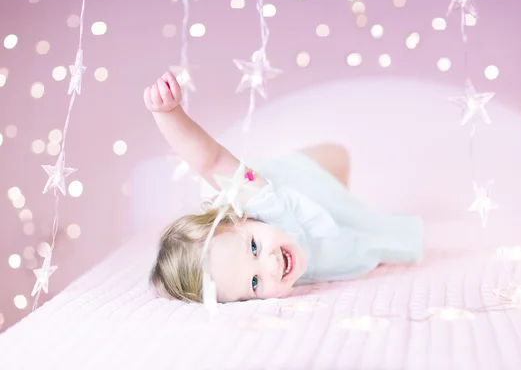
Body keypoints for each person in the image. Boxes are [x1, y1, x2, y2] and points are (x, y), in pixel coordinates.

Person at [146, 71, 423, 304]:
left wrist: (168, 113)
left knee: (337, 156)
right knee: (358, 241)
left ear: (240, 218)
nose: (272, 265)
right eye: (255, 283)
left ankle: (337, 202)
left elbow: (211, 160)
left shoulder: (265, 206)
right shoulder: (278, 269)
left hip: (304, 182)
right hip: (327, 243)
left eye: (254, 247)